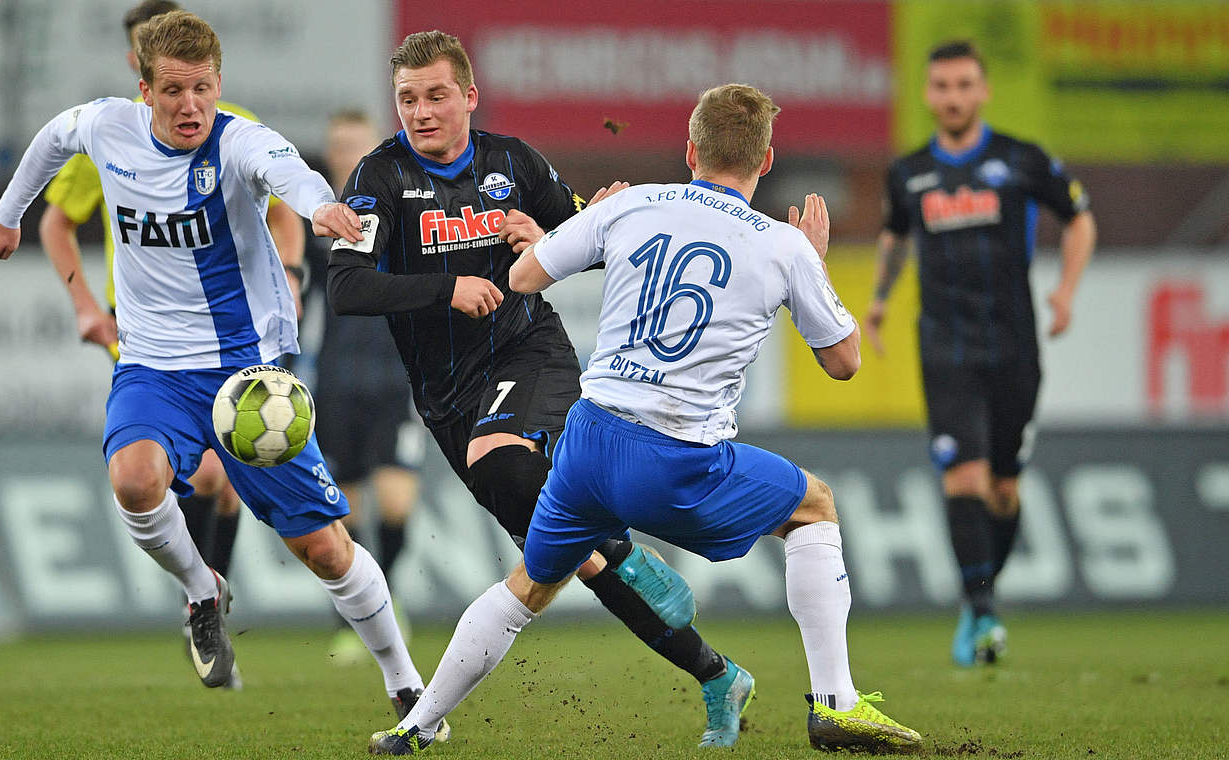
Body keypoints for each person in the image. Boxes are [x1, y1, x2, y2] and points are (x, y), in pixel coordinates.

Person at [367, 83, 923, 755]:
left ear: (690, 149)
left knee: (527, 587)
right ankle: (835, 703)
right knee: (814, 507)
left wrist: (559, 237)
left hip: (589, 444)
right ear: (766, 161)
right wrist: (815, 268)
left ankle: (415, 727)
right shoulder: (783, 247)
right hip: (676, 458)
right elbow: (844, 362)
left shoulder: (633, 203)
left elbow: (522, 278)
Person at [0, 10, 446, 737]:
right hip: (153, 365)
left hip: (245, 377)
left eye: (204, 89)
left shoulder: (238, 140)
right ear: (144, 90)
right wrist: (7, 216)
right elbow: (53, 136)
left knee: (324, 549)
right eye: (174, 92)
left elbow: (290, 171)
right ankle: (202, 590)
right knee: (133, 478)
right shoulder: (106, 127)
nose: (191, 106)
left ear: (219, 84)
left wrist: (319, 206)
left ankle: (409, 689)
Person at [315, 31, 748, 747]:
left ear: (468, 96)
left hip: (529, 352)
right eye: (406, 99)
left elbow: (589, 237)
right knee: (567, 554)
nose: (420, 112)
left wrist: (553, 229)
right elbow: (347, 286)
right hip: (445, 396)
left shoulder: (512, 162)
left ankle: (628, 553)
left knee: (509, 467)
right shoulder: (378, 177)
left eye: (435, 96)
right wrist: (448, 287)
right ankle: (716, 676)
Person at [38, 0, 305, 615]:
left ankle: (208, 597)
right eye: (141, 50)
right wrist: (83, 304)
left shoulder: (233, 126)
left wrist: (289, 273)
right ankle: (204, 598)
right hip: (143, 331)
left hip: (230, 325)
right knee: (189, 474)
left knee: (223, 473)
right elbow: (57, 224)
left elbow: (283, 207)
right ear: (138, 65)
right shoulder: (108, 136)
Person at [866, 40, 1096, 667]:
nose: (954, 97)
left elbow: (1079, 219)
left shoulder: (1021, 160)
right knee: (961, 476)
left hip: (1014, 346)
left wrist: (1067, 292)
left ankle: (979, 595)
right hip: (945, 345)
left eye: (965, 85)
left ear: (983, 90)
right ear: (927, 94)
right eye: (942, 86)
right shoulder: (908, 172)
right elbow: (895, 235)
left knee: (1002, 489)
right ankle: (984, 613)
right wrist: (881, 300)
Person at [309, 110, 426, 657]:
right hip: (336, 380)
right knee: (347, 506)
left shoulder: (404, 210)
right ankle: (357, 616)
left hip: (394, 377)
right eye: (337, 144)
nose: (344, 152)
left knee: (397, 500)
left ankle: (391, 594)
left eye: (354, 142)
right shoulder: (317, 223)